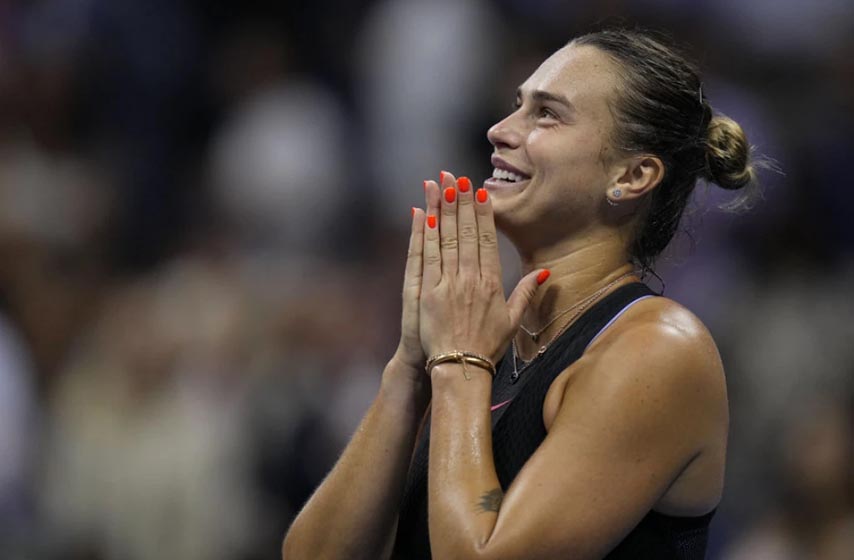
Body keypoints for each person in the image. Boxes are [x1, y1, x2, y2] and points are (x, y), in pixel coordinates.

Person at [282, 27, 757, 559]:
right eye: (516, 105)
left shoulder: (660, 351)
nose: (499, 131)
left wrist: (459, 366)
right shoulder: (485, 337)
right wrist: (411, 368)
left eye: (547, 114)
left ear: (633, 174)